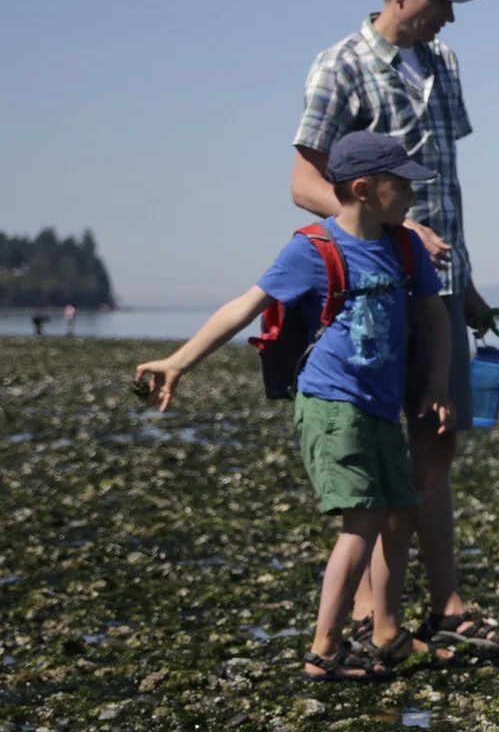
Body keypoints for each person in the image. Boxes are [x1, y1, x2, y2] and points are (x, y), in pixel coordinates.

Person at [136, 134, 454, 682]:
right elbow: (246, 306)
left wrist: (438, 384)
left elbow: (434, 317)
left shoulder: (403, 247)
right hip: (331, 404)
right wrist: (180, 362)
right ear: (362, 188)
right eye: (400, 185)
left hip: (382, 406)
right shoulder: (312, 248)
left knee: (401, 512)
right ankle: (325, 649)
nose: (410, 195)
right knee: (365, 519)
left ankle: (386, 631)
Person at [290, 0, 499, 656]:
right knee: (379, 452)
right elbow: (305, 184)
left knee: (438, 440)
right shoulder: (342, 66)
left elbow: (443, 192)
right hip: (377, 290)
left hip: (444, 286)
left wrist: (470, 288)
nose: (448, 19)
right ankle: (371, 616)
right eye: (437, 3)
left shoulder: (443, 65)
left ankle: (442, 604)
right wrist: (402, 232)